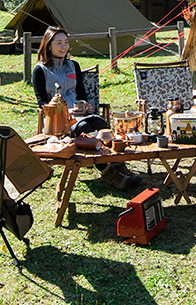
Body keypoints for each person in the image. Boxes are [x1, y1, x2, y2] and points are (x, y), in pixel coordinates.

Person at [31, 26, 141, 191]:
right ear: (48, 45)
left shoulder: (73, 65)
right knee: (84, 128)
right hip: (56, 120)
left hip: (79, 113)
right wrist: (66, 112)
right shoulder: (40, 69)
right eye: (59, 43)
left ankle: (119, 166)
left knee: (101, 123)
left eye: (66, 43)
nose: (63, 47)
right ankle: (110, 174)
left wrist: (85, 105)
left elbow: (81, 93)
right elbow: (42, 103)